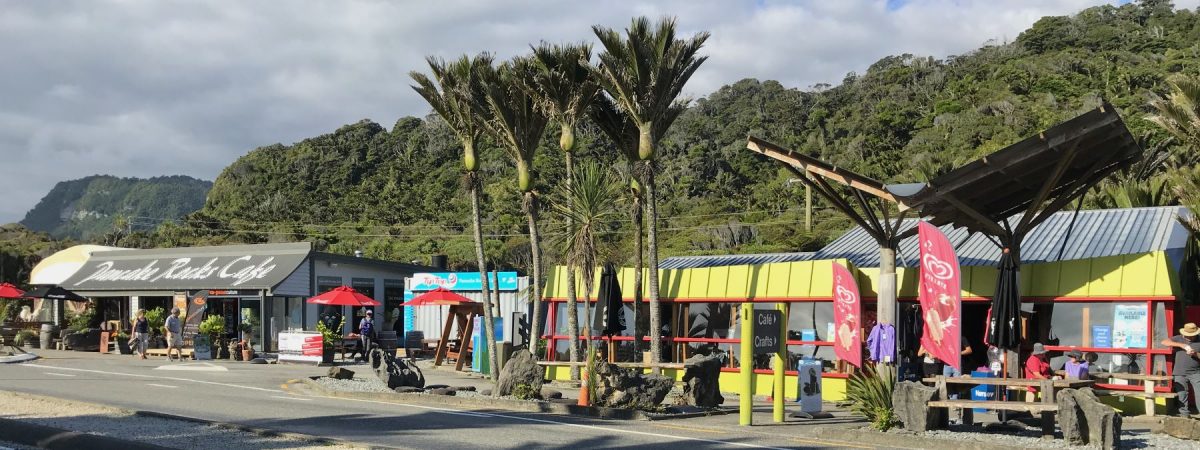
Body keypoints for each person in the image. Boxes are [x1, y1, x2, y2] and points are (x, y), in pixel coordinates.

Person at [1161, 322, 1200, 417]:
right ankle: (1184, 415)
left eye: (1191, 335)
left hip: (1196, 372)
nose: (1189, 337)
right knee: (1182, 394)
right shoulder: (1179, 338)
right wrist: (1181, 345)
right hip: (1179, 372)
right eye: (1187, 335)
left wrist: (1195, 354)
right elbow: (1164, 342)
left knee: (1199, 393)